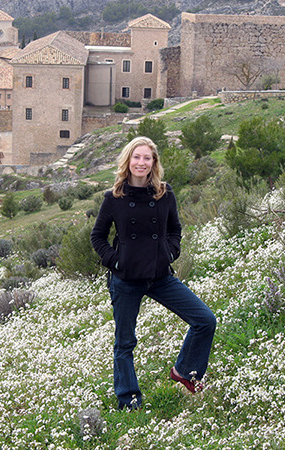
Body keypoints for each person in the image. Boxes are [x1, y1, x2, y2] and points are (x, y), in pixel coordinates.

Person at [91, 136, 217, 410]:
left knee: (205, 320)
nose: (141, 162)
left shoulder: (164, 193)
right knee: (125, 342)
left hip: (160, 275)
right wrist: (116, 262)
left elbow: (175, 230)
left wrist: (170, 253)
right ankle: (129, 400)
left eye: (147, 158)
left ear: (153, 163)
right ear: (128, 161)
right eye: (137, 157)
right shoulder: (113, 197)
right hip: (125, 279)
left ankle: (185, 371)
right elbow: (98, 237)